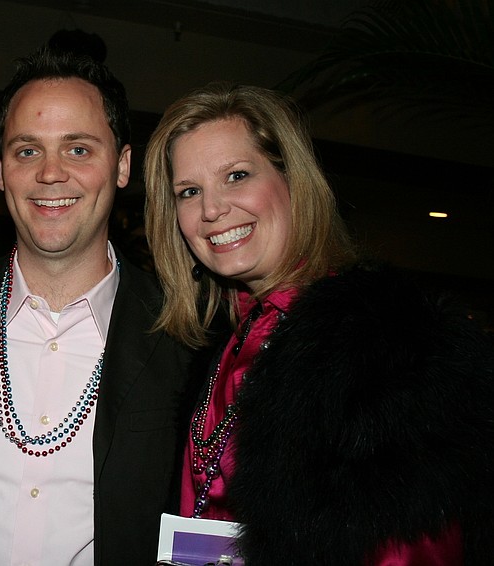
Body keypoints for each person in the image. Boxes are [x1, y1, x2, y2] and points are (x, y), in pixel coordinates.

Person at [143, 81, 494, 565]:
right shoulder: (221, 343)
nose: (211, 209)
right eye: (189, 191)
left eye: (237, 175)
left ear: (292, 180)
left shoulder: (389, 345)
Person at [0, 46, 201, 565]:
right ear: (0, 172)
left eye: (78, 149)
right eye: (27, 151)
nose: (50, 174)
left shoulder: (185, 338)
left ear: (123, 165)